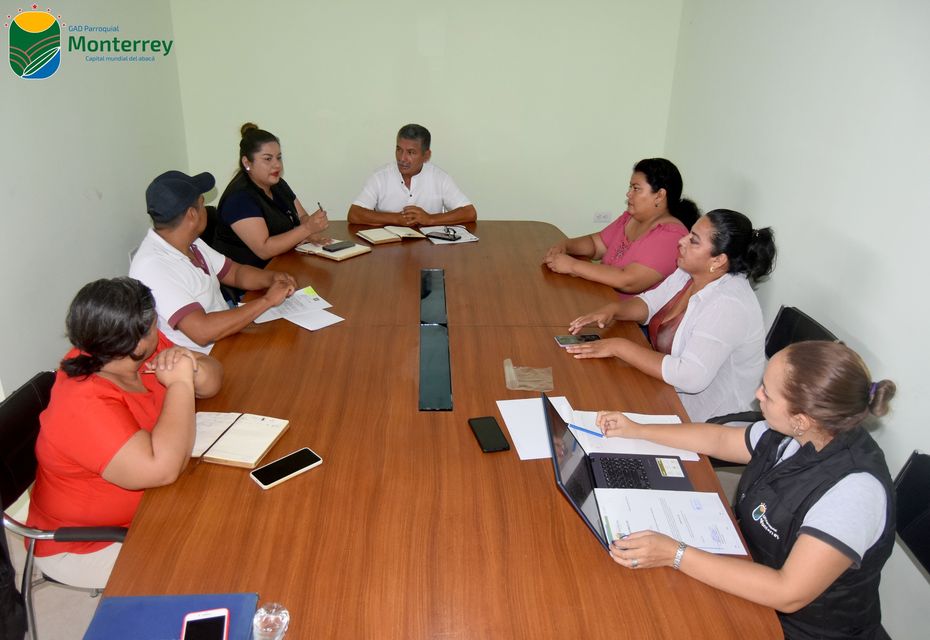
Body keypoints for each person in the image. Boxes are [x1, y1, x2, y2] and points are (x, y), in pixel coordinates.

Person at [595, 341, 896, 640]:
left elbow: (788, 592)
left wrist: (675, 553)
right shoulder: (801, 430)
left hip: (796, 628)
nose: (758, 395)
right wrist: (637, 429)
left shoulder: (854, 493)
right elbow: (720, 440)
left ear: (801, 420)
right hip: (748, 565)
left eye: (767, 393)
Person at [25, 278, 223, 589]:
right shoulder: (82, 403)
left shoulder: (124, 347)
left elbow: (213, 379)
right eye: (154, 324)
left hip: (155, 505)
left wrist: (192, 369)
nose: (158, 329)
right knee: (215, 561)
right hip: (87, 543)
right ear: (137, 343)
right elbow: (161, 469)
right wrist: (180, 384)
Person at [567, 209, 776, 422]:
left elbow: (689, 376)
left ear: (718, 260)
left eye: (693, 240)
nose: (681, 241)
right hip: (665, 392)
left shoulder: (729, 305)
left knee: (594, 406)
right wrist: (614, 310)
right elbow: (649, 303)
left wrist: (619, 347)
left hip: (705, 420)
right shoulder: (691, 271)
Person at [129, 170, 299, 353]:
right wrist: (267, 300)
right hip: (204, 359)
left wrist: (272, 278)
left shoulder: (190, 241)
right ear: (192, 214)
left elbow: (234, 273)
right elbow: (203, 331)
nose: (206, 209)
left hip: (228, 336)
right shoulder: (153, 266)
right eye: (202, 203)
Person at [544, 158, 698, 296]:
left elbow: (629, 281)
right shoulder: (630, 218)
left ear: (659, 195)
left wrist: (572, 266)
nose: (628, 194)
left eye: (636, 188)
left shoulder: (671, 236)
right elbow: (597, 245)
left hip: (627, 316)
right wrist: (566, 245)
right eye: (630, 187)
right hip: (600, 298)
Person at [213, 122, 329, 269]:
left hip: (282, 263)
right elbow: (264, 249)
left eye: (278, 158)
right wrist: (307, 229)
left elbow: (301, 216)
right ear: (247, 162)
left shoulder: (277, 184)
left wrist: (311, 230)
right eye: (268, 159)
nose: (277, 165)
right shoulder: (239, 198)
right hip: (251, 277)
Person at [347, 124, 477, 227]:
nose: (402, 158)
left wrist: (430, 219)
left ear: (426, 155)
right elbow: (354, 214)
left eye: (411, 152)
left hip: (429, 249)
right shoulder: (380, 177)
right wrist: (396, 218)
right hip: (388, 249)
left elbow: (469, 212)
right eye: (399, 150)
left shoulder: (440, 178)